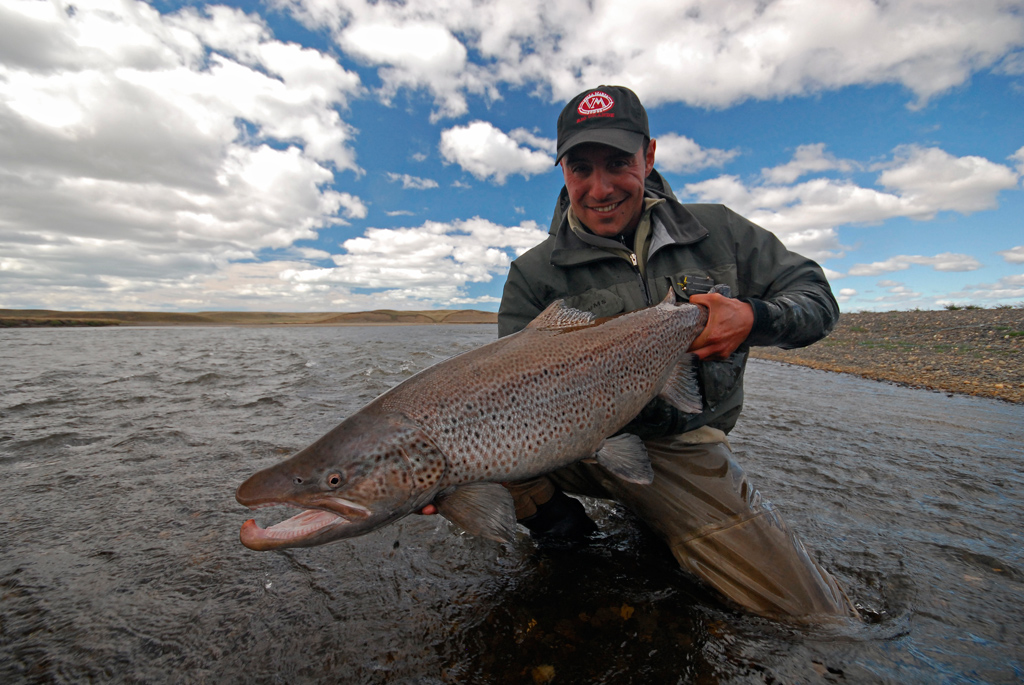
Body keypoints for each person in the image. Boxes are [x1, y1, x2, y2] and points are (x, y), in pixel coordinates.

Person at [495, 85, 858, 621]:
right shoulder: (533, 273)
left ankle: (662, 519)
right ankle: (566, 536)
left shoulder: (720, 231)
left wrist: (754, 318)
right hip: (574, 445)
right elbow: (503, 390)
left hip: (681, 447)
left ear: (649, 156)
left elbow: (817, 299)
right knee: (467, 462)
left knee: (816, 614)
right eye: (581, 168)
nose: (599, 188)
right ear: (563, 171)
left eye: (618, 163)